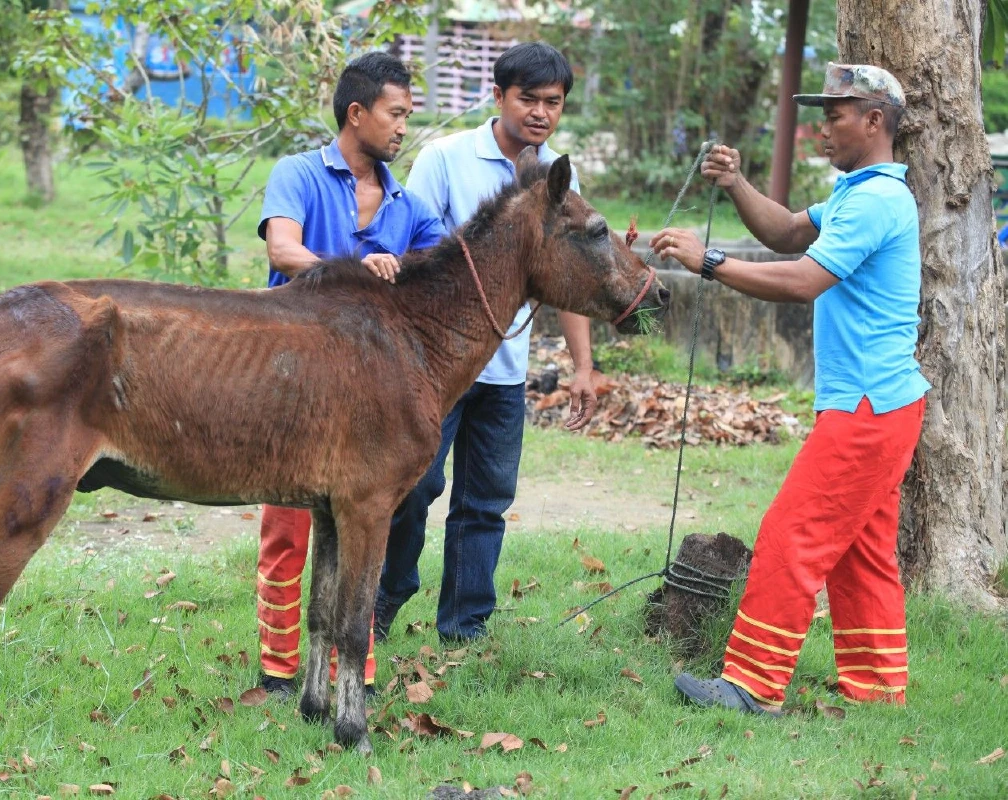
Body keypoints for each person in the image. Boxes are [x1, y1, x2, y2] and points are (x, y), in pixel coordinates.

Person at [652, 62, 929, 714]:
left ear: (875, 120)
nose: (822, 125)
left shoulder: (876, 201)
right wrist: (737, 182)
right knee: (860, 554)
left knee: (790, 535)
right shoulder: (857, 193)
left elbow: (804, 279)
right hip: (883, 405)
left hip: (867, 407)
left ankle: (752, 684)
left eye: (836, 113)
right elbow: (782, 233)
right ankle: (878, 689)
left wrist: (709, 262)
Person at [373, 42, 598, 644]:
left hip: (503, 372)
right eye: (528, 98)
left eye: (553, 102)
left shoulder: (558, 177)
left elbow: (573, 275)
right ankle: (383, 600)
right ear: (498, 97)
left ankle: (465, 627)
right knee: (412, 489)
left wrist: (583, 367)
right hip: (436, 368)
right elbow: (410, 247)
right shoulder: (446, 158)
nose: (541, 113)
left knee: (486, 502)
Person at [254, 51, 445, 699]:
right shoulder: (299, 172)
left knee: (363, 529)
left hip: (369, 396)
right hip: (295, 374)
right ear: (357, 113)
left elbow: (442, 272)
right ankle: (278, 669)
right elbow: (283, 248)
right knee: (287, 524)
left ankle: (350, 670)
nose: (403, 128)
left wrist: (405, 266)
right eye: (396, 114)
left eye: (408, 115)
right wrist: (358, 271)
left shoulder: (408, 203)